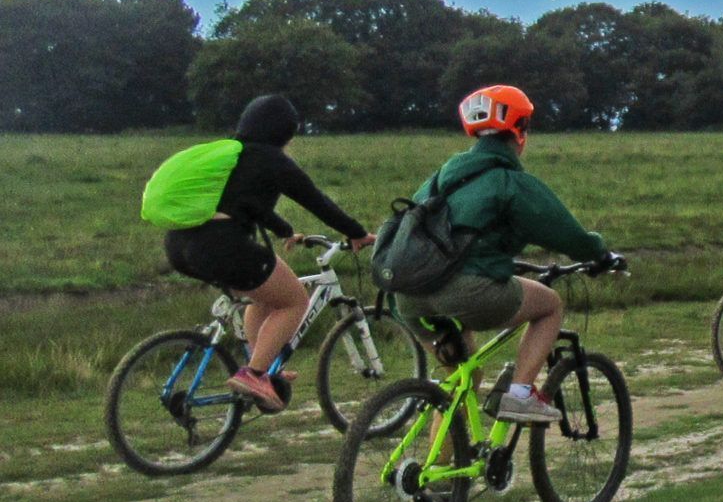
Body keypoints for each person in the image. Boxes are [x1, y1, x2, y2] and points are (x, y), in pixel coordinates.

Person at [396, 85, 618, 426]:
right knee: (550, 305)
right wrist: (600, 254)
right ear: (520, 129)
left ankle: (437, 475)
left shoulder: (442, 177)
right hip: (464, 290)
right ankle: (520, 396)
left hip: (410, 296)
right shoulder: (509, 181)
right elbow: (568, 234)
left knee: (461, 383)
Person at [156, 93, 374, 414]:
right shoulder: (273, 160)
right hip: (222, 245)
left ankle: (261, 363)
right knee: (294, 299)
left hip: (179, 244)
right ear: (284, 132)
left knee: (263, 295)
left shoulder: (230, 155)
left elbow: (247, 204)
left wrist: (285, 230)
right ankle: (254, 375)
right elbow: (316, 201)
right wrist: (357, 233)